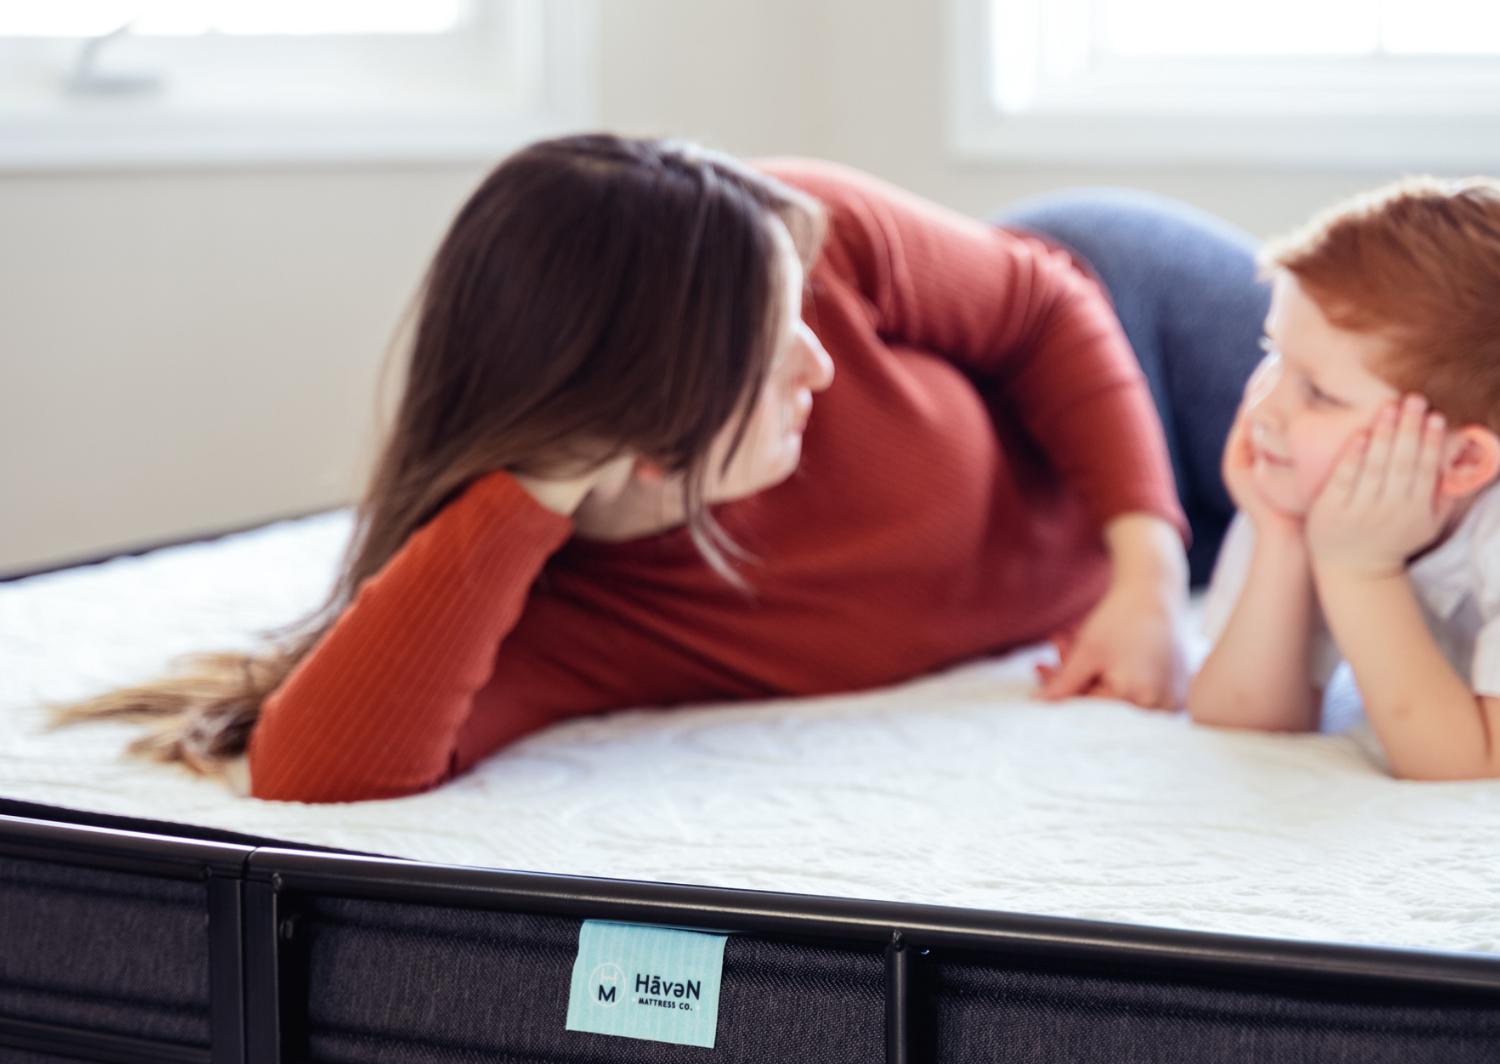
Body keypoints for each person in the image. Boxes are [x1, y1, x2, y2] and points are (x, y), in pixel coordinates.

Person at [44, 133, 1198, 804]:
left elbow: (1050, 299)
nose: (821, 366)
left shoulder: (799, 235)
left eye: (804, 320)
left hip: (1143, 343)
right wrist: (535, 485)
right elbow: (318, 769)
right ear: (641, 435)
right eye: (768, 350)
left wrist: (1147, 574)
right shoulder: (563, 618)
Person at [1188, 177, 1500, 781]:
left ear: (1462, 461)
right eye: (1272, 352)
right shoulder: (1311, 485)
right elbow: (1241, 715)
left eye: (1321, 395)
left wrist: (1359, 569)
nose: (1266, 408)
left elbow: (1471, 763)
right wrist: (1279, 536)